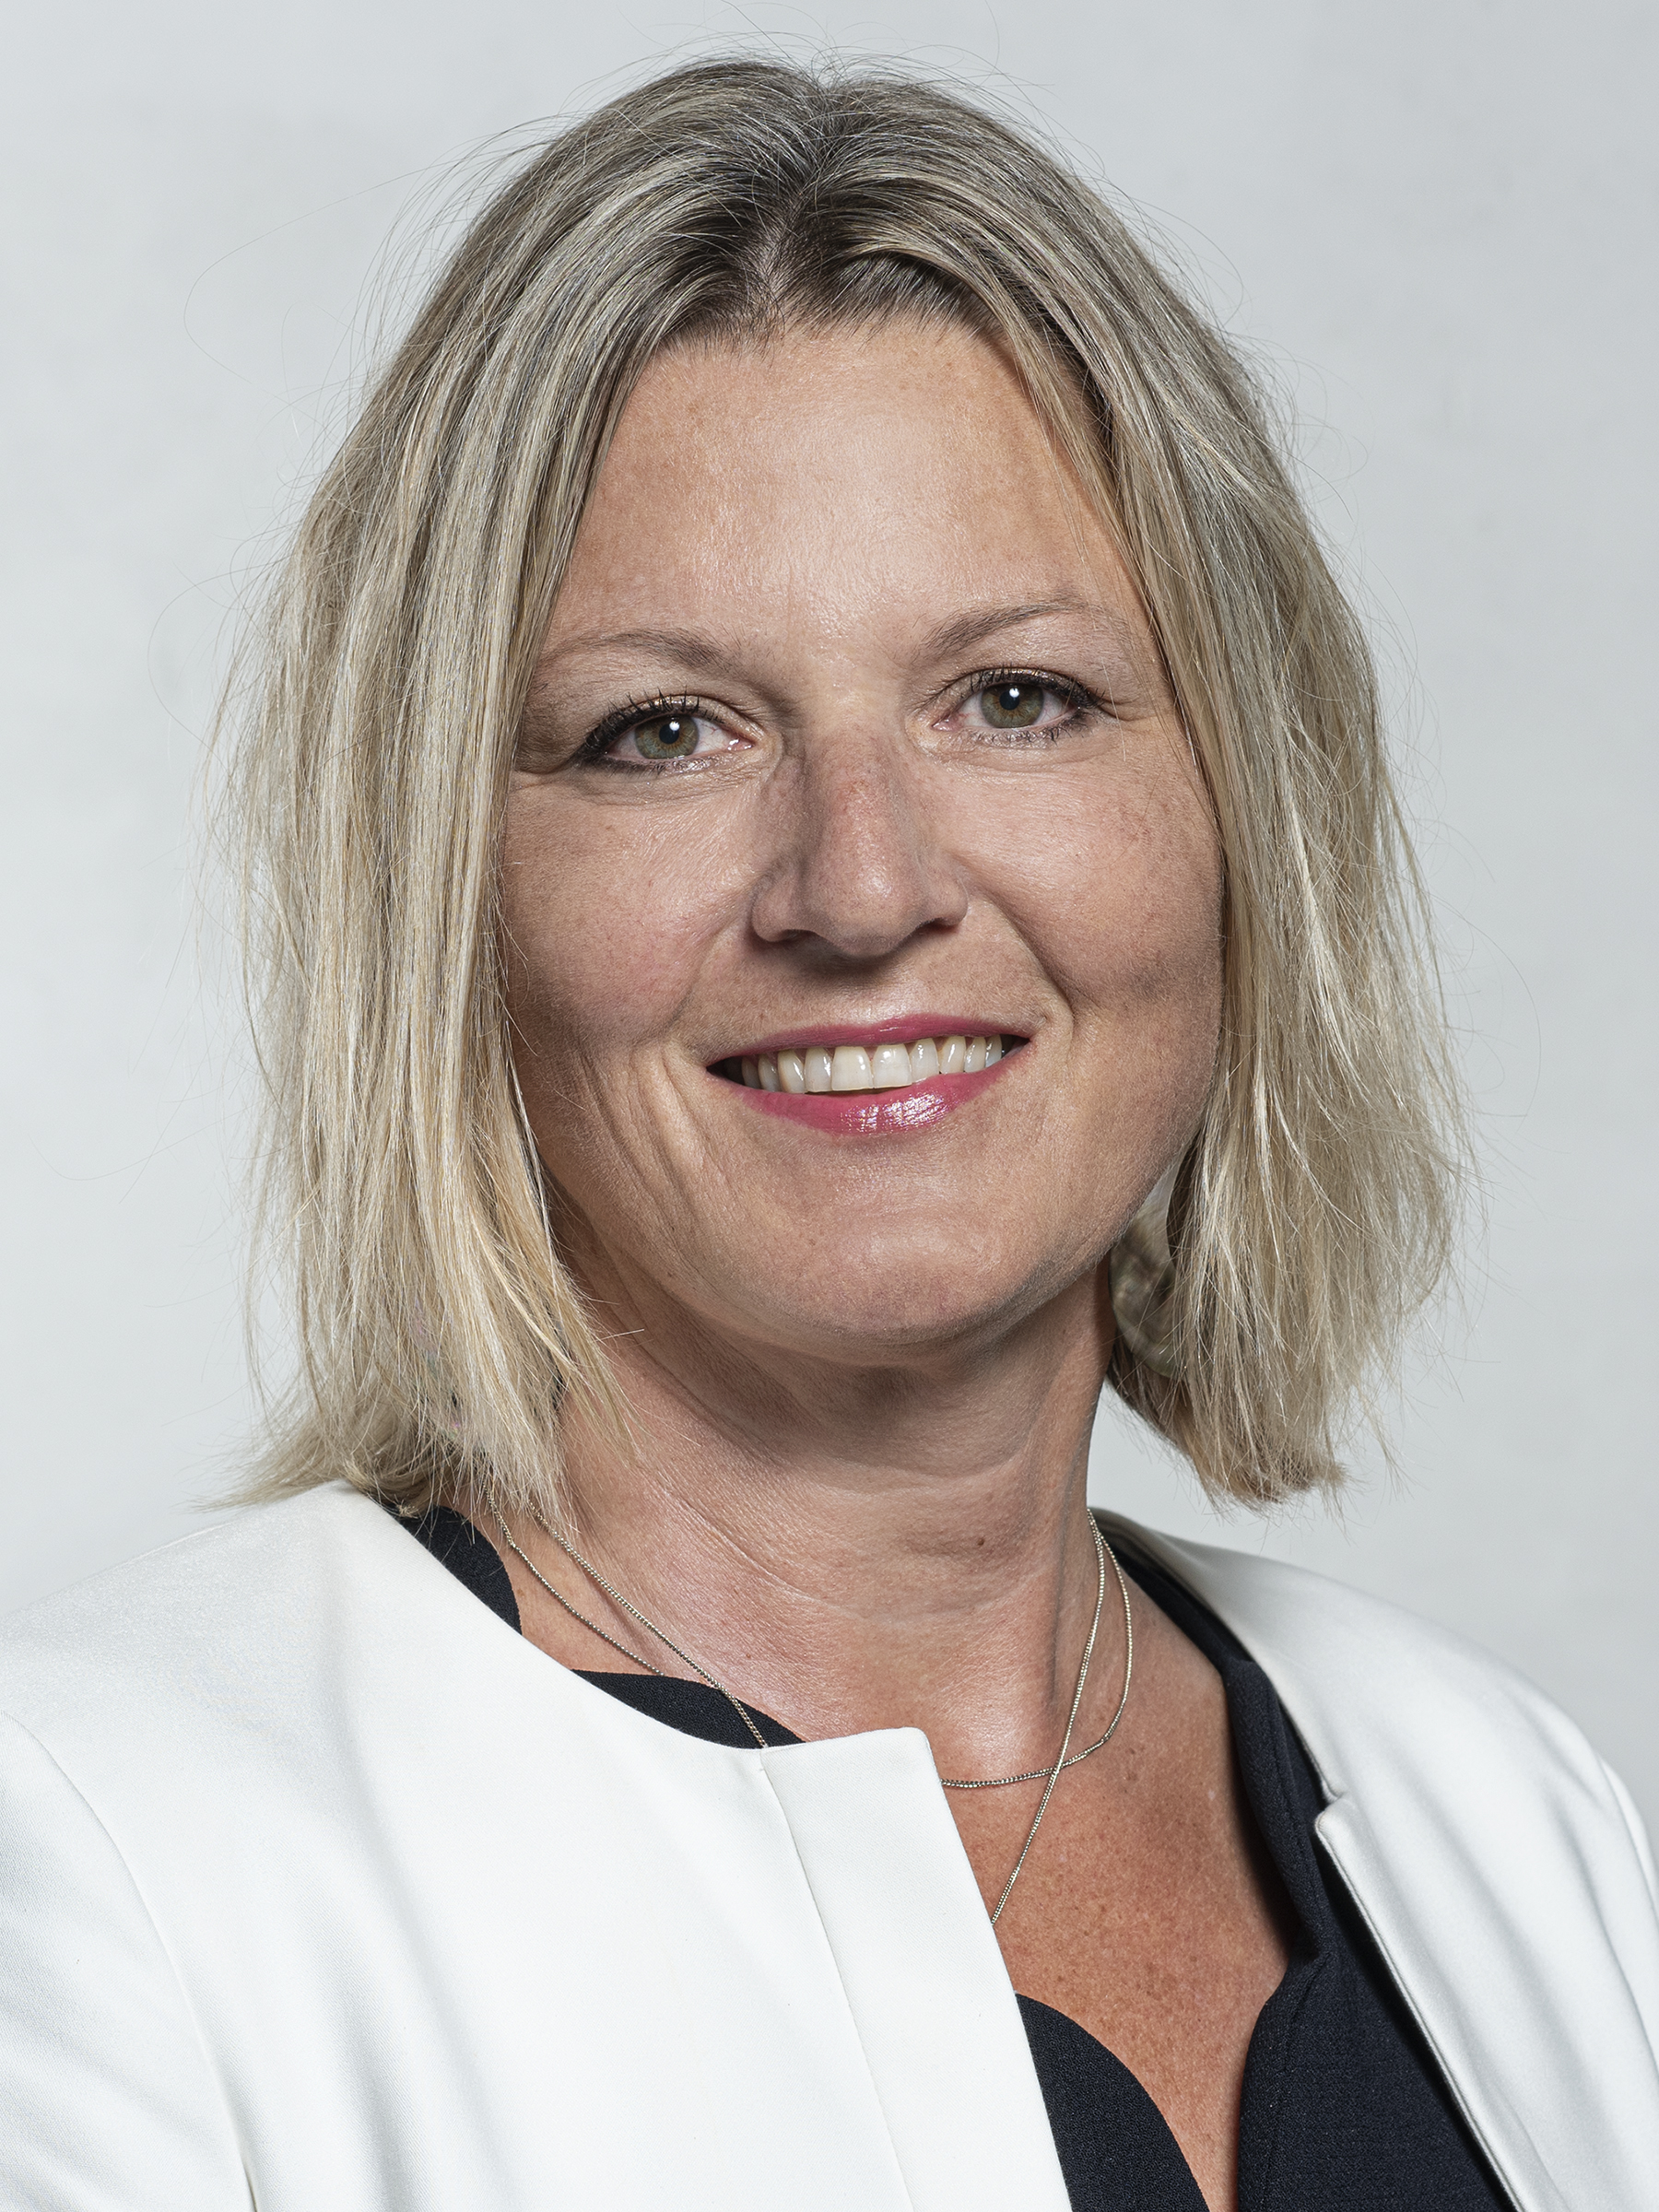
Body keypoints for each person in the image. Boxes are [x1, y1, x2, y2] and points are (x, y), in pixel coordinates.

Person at [2, 57, 1653, 2212]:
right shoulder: (104, 1862)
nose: (862, 887)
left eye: (1018, 699)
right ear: (448, 891)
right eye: (663, 731)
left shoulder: (1514, 1819)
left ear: (1245, 811)